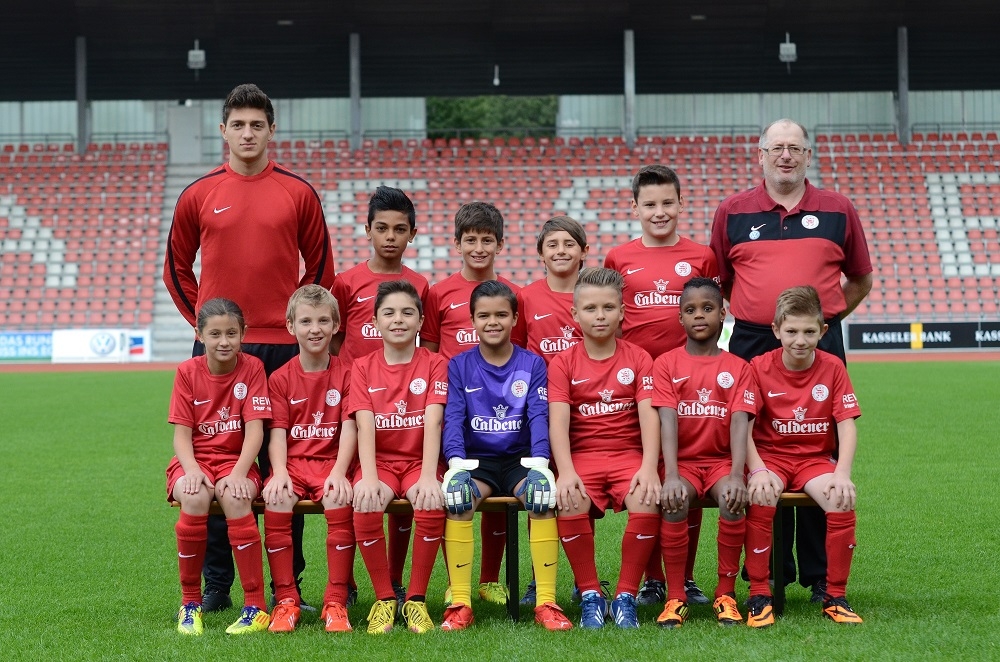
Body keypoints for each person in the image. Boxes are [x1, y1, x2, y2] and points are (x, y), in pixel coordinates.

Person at [163, 82, 336, 612]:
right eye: (237, 125)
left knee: (288, 469)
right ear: (223, 131)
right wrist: (207, 327)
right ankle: (217, 586)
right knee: (217, 463)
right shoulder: (198, 194)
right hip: (219, 352)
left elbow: (320, 268)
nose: (247, 133)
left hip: (284, 350)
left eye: (256, 125)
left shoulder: (298, 192)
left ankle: (289, 588)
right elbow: (176, 267)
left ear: (271, 130)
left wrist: (299, 326)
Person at [709, 118, 872, 599]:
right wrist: (758, 316)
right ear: (760, 155)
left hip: (818, 341)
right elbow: (720, 282)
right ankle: (770, 573)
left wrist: (826, 319)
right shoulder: (732, 211)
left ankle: (820, 575)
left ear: (807, 155)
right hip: (752, 341)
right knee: (756, 446)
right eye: (776, 148)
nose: (786, 155)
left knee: (819, 442)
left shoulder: (839, 209)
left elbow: (860, 278)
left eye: (795, 148)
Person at [604, 165, 720, 607]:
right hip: (636, 388)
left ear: (681, 204)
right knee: (651, 477)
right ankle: (654, 579)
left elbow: (711, 313)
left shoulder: (703, 256)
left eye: (667, 202)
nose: (659, 212)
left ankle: (683, 578)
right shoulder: (618, 258)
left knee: (685, 474)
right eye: (650, 204)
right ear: (634, 207)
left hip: (689, 383)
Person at [440, 280, 572, 632]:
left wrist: (541, 462)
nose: (492, 322)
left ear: (515, 318)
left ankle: (546, 602)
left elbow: (539, 415)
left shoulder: (532, 363)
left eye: (501, 314)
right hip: (477, 462)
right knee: (459, 500)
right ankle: (460, 604)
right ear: (472, 320)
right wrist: (455, 463)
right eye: (484, 315)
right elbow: (453, 417)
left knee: (541, 500)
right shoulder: (459, 365)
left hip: (520, 461)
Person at [331, 185, 430, 604]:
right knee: (356, 489)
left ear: (412, 234)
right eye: (382, 228)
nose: (390, 236)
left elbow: (428, 346)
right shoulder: (346, 282)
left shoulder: (420, 284)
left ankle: (392, 579)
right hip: (356, 404)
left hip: (401, 408)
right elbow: (335, 341)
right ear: (367, 230)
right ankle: (346, 583)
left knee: (397, 493)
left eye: (399, 229)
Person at [742, 286, 863, 627]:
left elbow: (847, 425)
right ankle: (759, 594)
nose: (800, 340)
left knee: (840, 499)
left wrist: (842, 473)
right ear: (776, 330)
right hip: (771, 458)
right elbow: (744, 428)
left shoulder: (833, 367)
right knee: (762, 494)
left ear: (823, 331)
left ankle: (835, 596)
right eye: (792, 331)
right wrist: (758, 470)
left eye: (809, 332)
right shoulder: (758, 366)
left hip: (814, 461)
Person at [548, 267, 661, 629]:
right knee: (569, 499)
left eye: (608, 307)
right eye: (591, 308)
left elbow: (650, 417)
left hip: (628, 456)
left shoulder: (639, 358)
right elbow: (558, 423)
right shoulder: (563, 362)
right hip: (583, 457)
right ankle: (590, 594)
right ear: (575, 314)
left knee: (647, 498)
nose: (600, 316)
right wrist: (565, 471)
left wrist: (648, 467)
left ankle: (626, 596)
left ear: (622, 311)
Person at [421, 201, 519, 606]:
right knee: (456, 488)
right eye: (471, 240)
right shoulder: (438, 293)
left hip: (498, 414)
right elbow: (429, 352)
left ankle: (490, 579)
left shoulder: (511, 294)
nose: (479, 248)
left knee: (497, 492)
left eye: (487, 240)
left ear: (500, 244)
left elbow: (517, 354)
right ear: (457, 243)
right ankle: (454, 581)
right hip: (454, 411)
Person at [652, 278, 754, 628]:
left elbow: (740, 423)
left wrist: (738, 475)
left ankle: (726, 594)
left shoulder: (739, 367)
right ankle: (676, 596)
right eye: (690, 310)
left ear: (723, 314)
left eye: (708, 308)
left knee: (732, 499)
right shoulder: (666, 364)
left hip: (721, 464)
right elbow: (667, 421)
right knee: (675, 500)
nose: (699, 315)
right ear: (680, 317)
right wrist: (670, 475)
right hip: (682, 465)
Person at [167, 298, 271, 636]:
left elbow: (255, 430)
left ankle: (255, 606)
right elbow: (181, 436)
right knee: (194, 496)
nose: (223, 341)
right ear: (199, 335)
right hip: (194, 461)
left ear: (243, 334)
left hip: (235, 461)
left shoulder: (253, 368)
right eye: (214, 334)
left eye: (231, 333)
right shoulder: (187, 371)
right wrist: (192, 470)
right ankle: (190, 603)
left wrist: (239, 472)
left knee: (236, 497)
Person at [348, 280, 447, 635]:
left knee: (431, 502)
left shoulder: (435, 363)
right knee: (366, 502)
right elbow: (364, 424)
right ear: (375, 322)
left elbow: (434, 421)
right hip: (381, 463)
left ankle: (416, 600)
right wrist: (369, 477)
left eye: (407, 312)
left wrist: (429, 476)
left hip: (422, 462)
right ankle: (385, 599)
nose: (398, 320)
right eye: (388, 313)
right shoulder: (361, 366)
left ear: (420, 321)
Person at [262, 286, 357, 633]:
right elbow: (277, 433)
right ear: (291, 326)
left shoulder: (349, 373)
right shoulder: (280, 378)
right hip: (294, 464)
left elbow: (350, 429)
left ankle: (336, 601)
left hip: (331, 463)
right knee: (277, 498)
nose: (315, 329)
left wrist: (340, 472)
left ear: (336, 325)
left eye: (322, 321)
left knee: (339, 497)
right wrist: (279, 472)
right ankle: (286, 599)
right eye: (305, 321)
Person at [513, 215, 589, 606]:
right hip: (539, 414)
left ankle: (582, 579)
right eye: (552, 245)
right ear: (540, 253)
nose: (561, 251)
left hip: (588, 411)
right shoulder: (526, 298)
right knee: (540, 492)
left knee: (579, 492)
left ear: (584, 251)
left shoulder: (593, 295)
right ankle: (536, 580)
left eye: (569, 244)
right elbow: (516, 354)